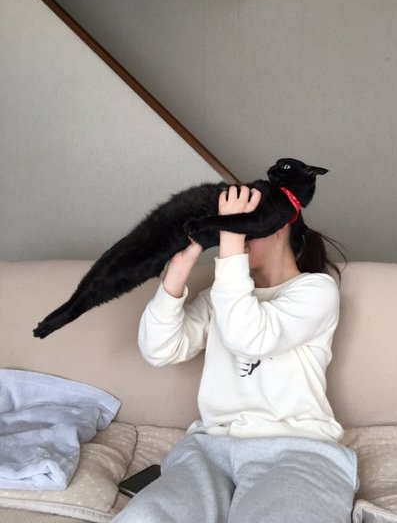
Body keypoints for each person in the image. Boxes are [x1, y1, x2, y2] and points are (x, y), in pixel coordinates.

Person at [113, 185, 357, 523]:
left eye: (242, 229)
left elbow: (249, 337)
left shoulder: (316, 291)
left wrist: (230, 243)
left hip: (295, 449)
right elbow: (159, 349)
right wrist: (177, 273)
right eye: (229, 231)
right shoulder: (221, 296)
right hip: (211, 450)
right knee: (144, 516)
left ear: (279, 225)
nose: (234, 240)